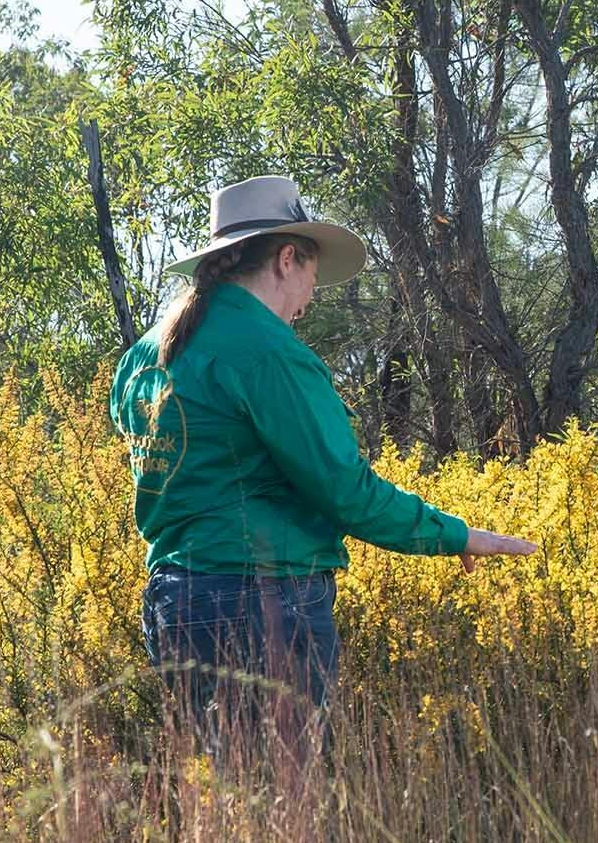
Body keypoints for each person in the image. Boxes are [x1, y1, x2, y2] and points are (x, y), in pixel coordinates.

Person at [110, 175, 536, 755]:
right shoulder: (270, 354)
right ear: (286, 259)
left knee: (233, 806)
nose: (311, 297)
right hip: (260, 606)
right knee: (287, 811)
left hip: (174, 600)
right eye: (311, 274)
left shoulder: (147, 352)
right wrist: (454, 534)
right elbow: (346, 491)